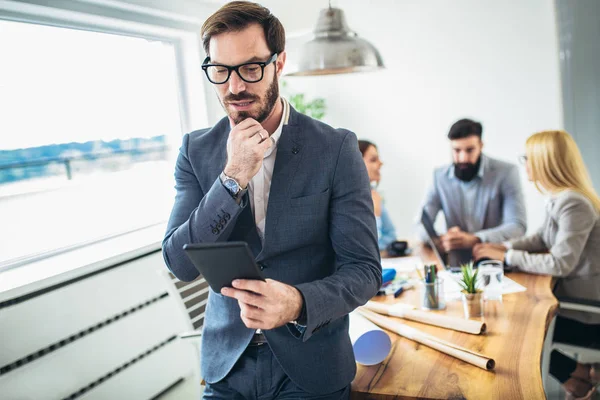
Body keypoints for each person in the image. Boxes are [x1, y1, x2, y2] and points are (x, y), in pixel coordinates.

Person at [161, 2, 381, 399]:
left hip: (312, 364)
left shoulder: (335, 148)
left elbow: (364, 270)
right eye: (220, 70)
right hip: (227, 367)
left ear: (279, 64)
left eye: (250, 68)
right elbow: (179, 262)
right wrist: (233, 178)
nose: (233, 87)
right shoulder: (196, 151)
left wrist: (297, 302)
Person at [474, 130, 600, 400]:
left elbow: (560, 263)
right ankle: (581, 375)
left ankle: (575, 377)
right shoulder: (560, 198)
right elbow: (541, 238)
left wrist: (505, 258)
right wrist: (504, 248)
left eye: (527, 158)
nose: (525, 164)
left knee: (518, 333)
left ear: (545, 161)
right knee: (518, 324)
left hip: (587, 312)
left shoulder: (574, 203)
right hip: (574, 301)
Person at [419, 118, 527, 252]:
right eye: (457, 151)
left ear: (481, 145)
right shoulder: (438, 177)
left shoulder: (506, 172)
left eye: (469, 150)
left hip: (493, 255)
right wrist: (441, 240)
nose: (463, 158)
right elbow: (420, 224)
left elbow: (517, 226)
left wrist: (476, 238)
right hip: (454, 256)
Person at [358, 140, 397, 250]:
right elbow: (366, 247)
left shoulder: (374, 195)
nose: (381, 163)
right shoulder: (348, 201)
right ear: (356, 164)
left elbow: (391, 234)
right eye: (373, 160)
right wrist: (375, 215)